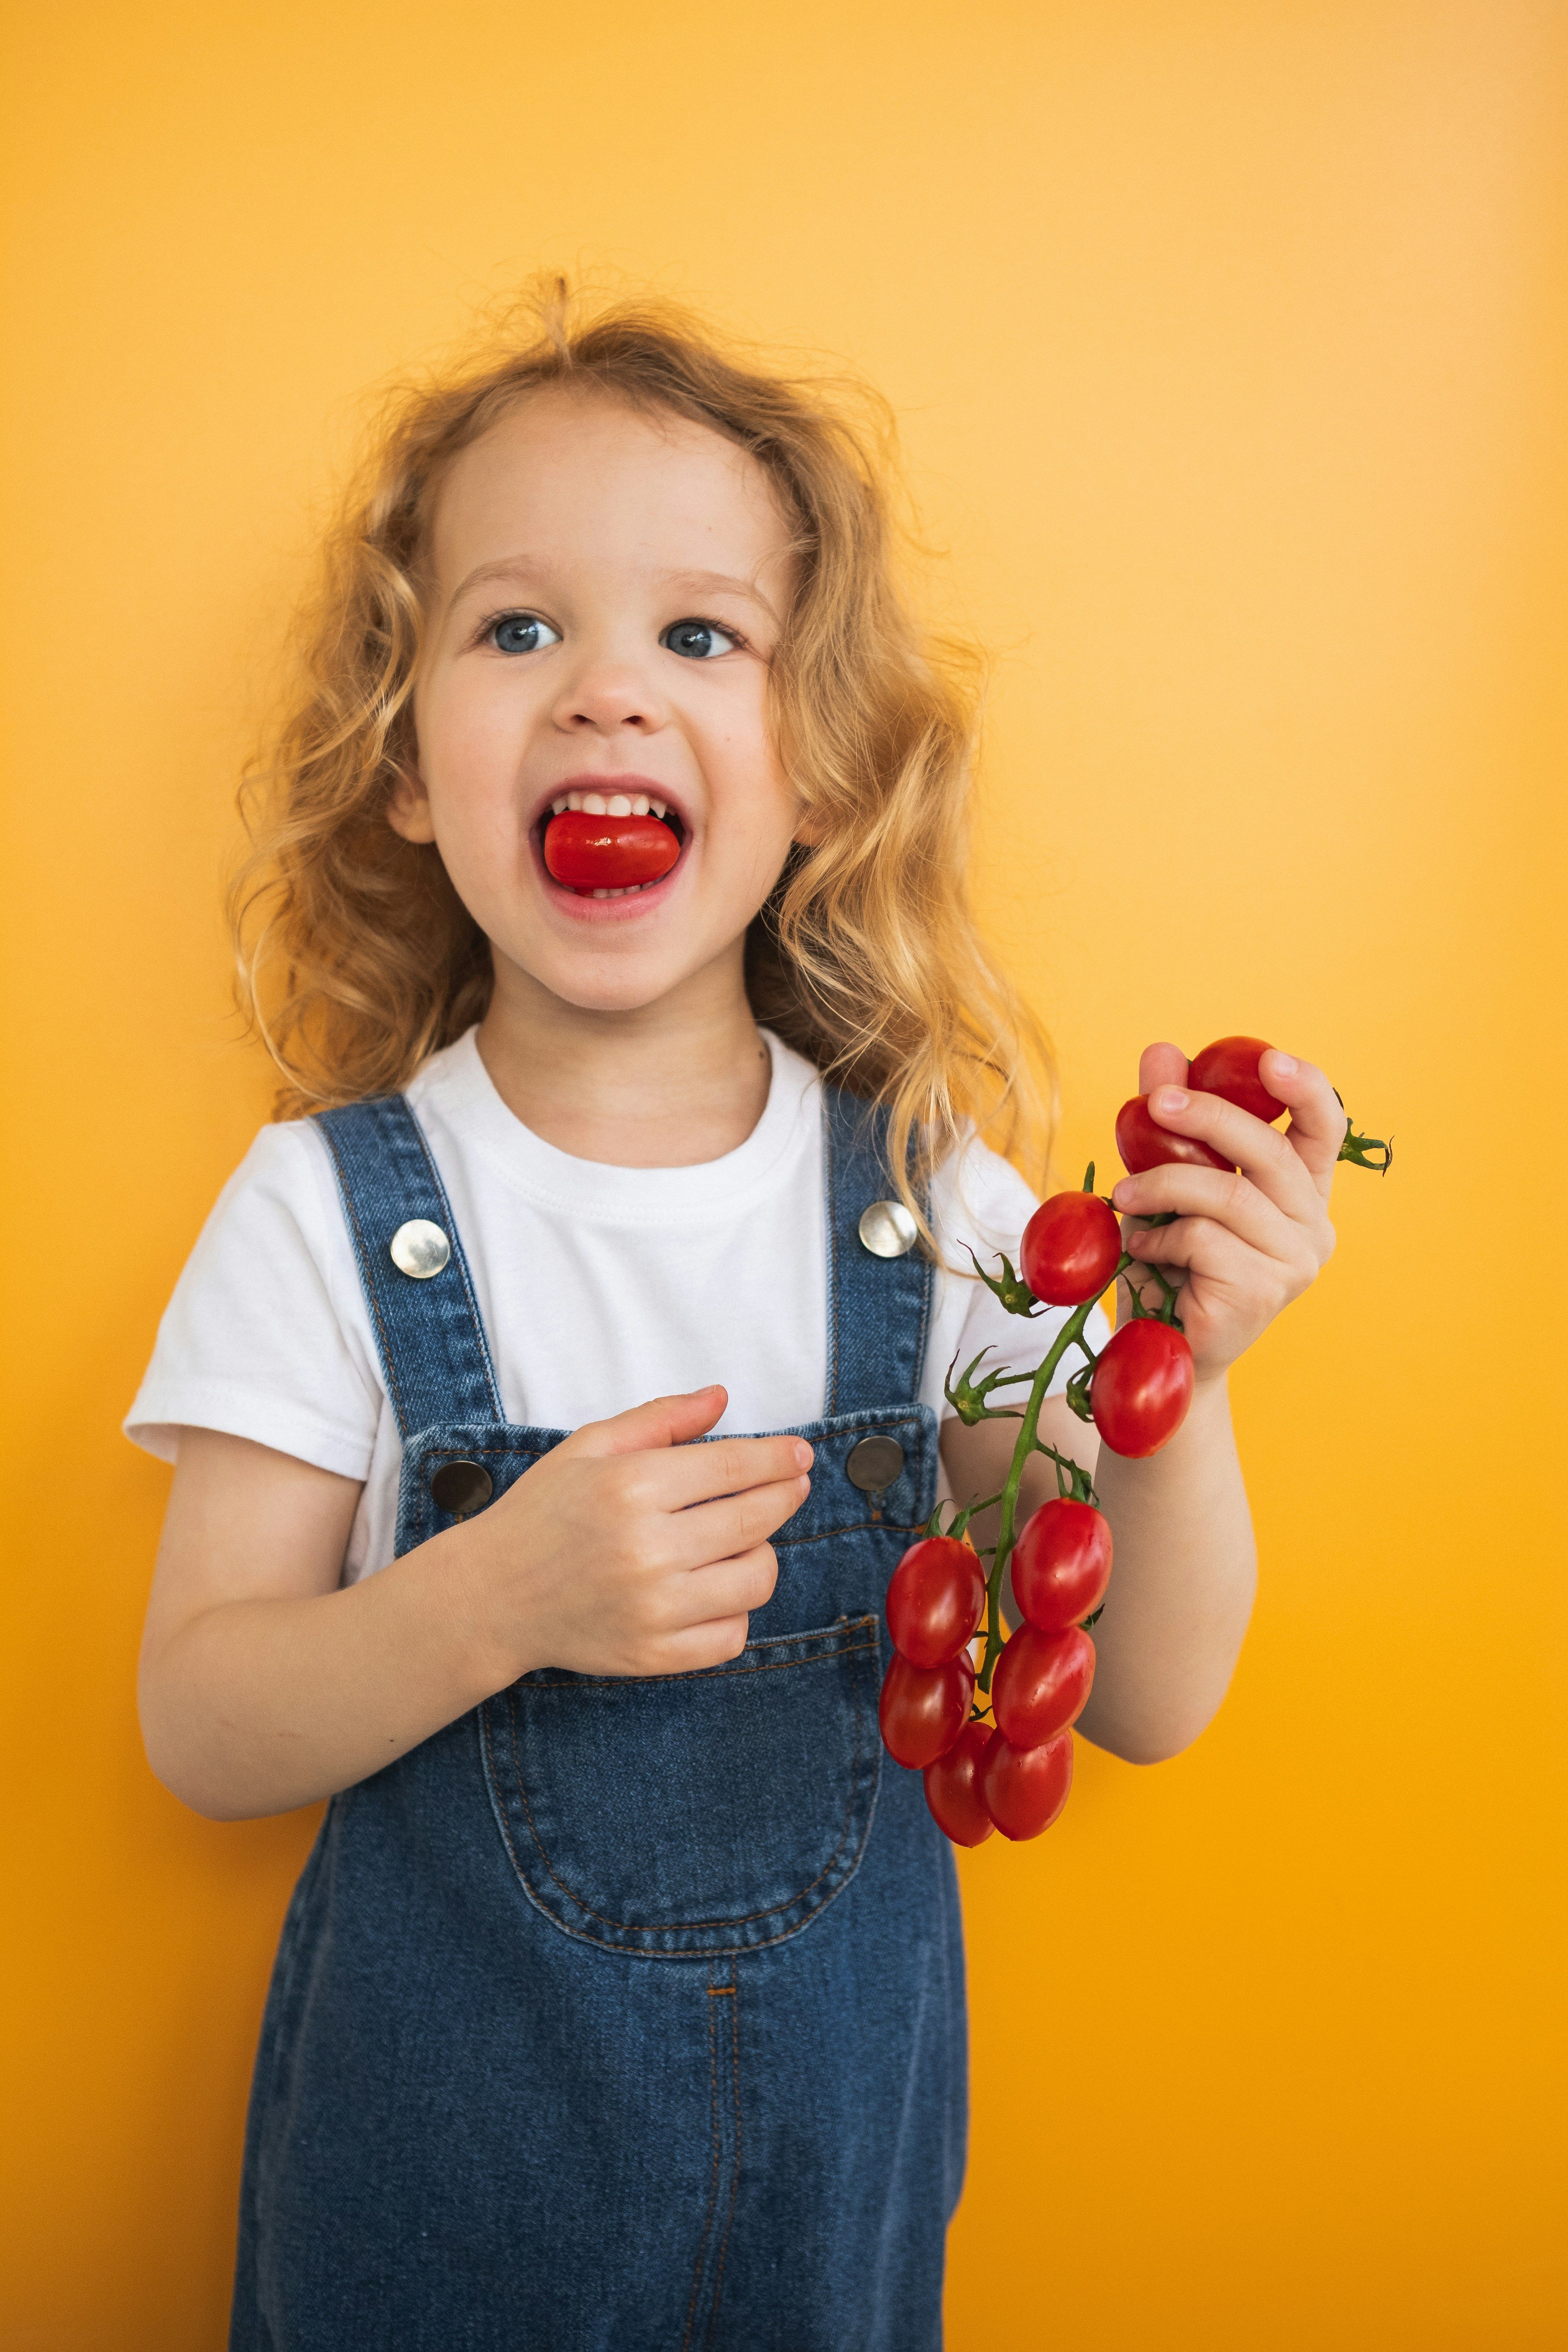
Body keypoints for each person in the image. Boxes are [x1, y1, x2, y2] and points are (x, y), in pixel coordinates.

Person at [129, 286, 1347, 2352]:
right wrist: (487, 1602)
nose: (607, 692)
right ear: (407, 766)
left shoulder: (934, 1207)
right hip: (419, 2232)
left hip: (824, 2243)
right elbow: (200, 1724)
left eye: (699, 636)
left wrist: (1181, 1384)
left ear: (819, 772)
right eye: (518, 631)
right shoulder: (326, 1213)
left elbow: (1143, 1694)